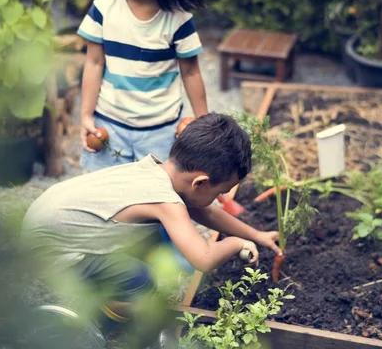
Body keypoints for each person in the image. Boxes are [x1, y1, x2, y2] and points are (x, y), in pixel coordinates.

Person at [21, 114, 282, 343]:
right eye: (220, 192)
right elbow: (204, 259)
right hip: (52, 254)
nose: (217, 199)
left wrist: (256, 235)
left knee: (157, 241)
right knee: (141, 280)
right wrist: (237, 244)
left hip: (47, 221)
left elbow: (207, 211)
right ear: (200, 182)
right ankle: (106, 320)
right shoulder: (165, 201)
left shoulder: (158, 172)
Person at [77, 0, 208, 171]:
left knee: (155, 193)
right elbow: (94, 63)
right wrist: (85, 114)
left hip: (161, 130)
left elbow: (191, 73)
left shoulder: (178, 19)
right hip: (110, 124)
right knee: (107, 191)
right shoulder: (103, 7)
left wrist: (205, 126)